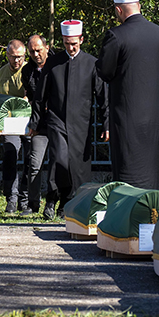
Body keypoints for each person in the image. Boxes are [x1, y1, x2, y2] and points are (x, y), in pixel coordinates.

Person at [29, 20, 109, 220]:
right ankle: (52, 198)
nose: (70, 47)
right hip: (57, 120)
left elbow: (103, 97)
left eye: (74, 43)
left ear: (81, 40)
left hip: (81, 123)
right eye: (66, 43)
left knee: (78, 166)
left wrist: (107, 123)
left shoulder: (92, 63)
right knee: (59, 159)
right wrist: (35, 123)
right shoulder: (53, 64)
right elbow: (40, 96)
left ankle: (73, 203)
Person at [96, 0, 159, 190]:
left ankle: (129, 214)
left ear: (118, 9)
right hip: (153, 117)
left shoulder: (116, 36)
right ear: (139, 4)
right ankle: (153, 214)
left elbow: (104, 72)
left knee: (128, 170)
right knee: (152, 171)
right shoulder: (158, 33)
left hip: (126, 117)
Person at [20, 34, 54, 215]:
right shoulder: (27, 71)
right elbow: (33, 98)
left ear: (46, 48)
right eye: (32, 51)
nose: (36, 54)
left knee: (57, 164)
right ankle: (33, 204)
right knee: (34, 162)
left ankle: (55, 203)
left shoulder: (57, 65)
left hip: (57, 122)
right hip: (38, 124)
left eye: (38, 50)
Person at [0, 39, 30, 215]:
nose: (16, 61)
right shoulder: (2, 73)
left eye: (20, 57)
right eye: (13, 57)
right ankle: (11, 198)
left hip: (28, 121)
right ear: (7, 55)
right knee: (10, 156)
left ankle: (25, 199)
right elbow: (0, 100)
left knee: (30, 160)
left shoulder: (29, 70)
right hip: (9, 123)